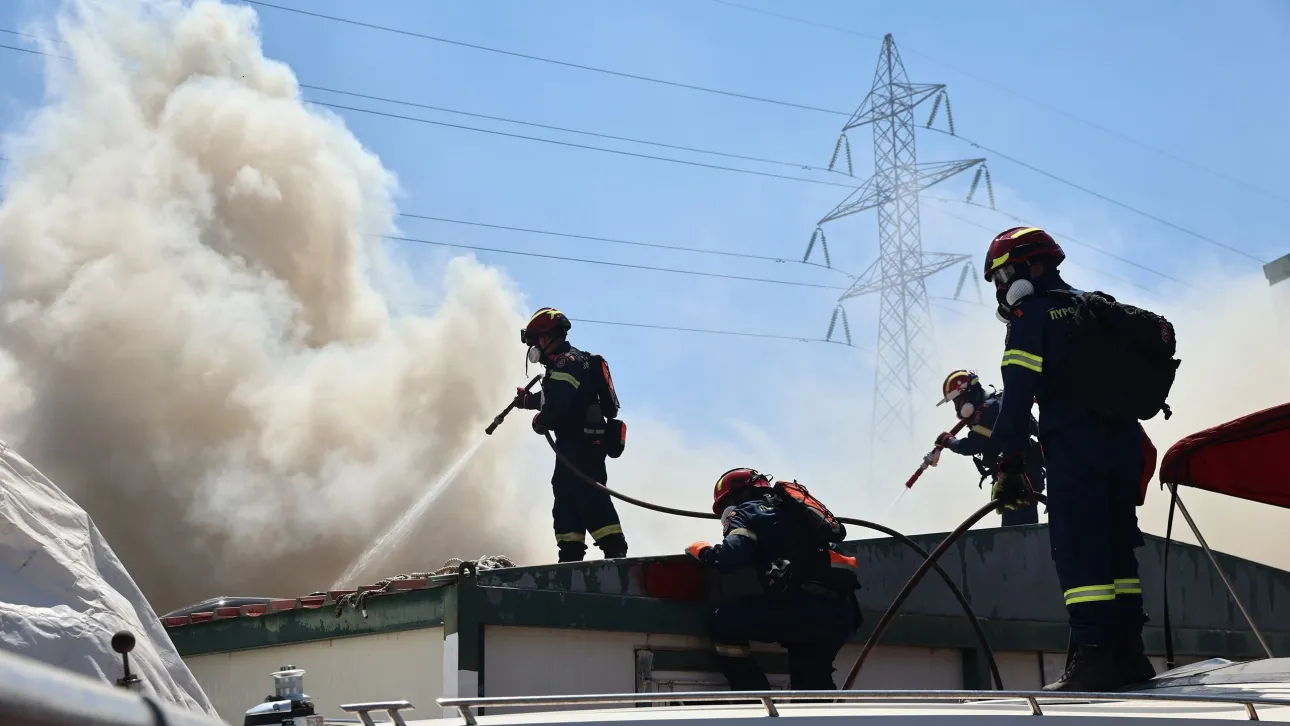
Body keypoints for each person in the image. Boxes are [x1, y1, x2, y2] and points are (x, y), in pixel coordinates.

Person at [983, 226, 1155, 691]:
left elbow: (1017, 398)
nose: (1000, 289)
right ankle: (1130, 655)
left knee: (1081, 553)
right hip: (1122, 450)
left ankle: (1094, 659)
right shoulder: (1098, 305)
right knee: (1119, 551)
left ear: (1028, 267)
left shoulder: (1031, 314)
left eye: (1002, 276)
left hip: (1075, 452)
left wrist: (1008, 463)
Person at [685, 468, 860, 691]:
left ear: (736, 496)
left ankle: (757, 701)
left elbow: (733, 555)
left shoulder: (745, 511)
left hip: (803, 609)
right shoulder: (798, 512)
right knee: (811, 686)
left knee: (724, 623)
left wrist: (703, 551)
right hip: (841, 614)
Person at [514, 307, 628, 563]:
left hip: (583, 445)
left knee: (589, 496)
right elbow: (557, 395)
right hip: (576, 445)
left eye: (538, 341)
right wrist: (527, 401)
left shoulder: (567, 361)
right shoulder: (572, 362)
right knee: (566, 496)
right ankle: (570, 556)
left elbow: (557, 403)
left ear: (549, 336)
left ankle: (616, 553)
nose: (536, 347)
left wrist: (541, 419)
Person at [933, 369, 1046, 526]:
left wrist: (948, 440)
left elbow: (969, 447)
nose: (958, 408)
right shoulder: (996, 404)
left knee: (1017, 531)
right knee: (1020, 526)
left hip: (1017, 478)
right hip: (1023, 473)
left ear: (969, 394)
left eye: (958, 401)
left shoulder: (986, 412)